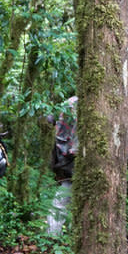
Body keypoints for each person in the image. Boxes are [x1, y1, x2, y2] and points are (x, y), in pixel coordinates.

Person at [46, 97, 78, 236]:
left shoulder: (69, 122)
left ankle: (53, 237)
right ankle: (55, 237)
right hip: (71, 172)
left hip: (76, 171)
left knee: (59, 204)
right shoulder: (65, 128)